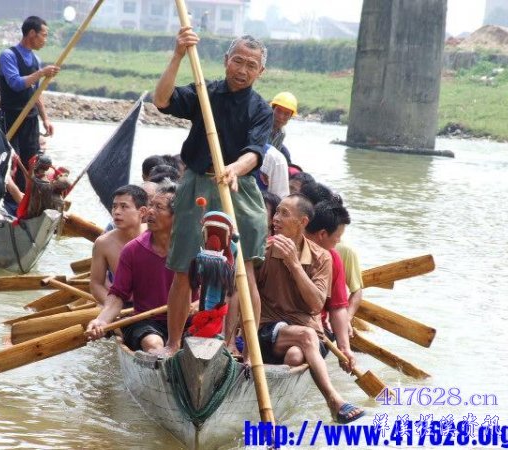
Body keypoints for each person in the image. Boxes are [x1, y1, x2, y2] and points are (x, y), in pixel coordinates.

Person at [153, 30, 272, 356]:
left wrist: (235, 168)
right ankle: (173, 344)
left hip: (239, 188)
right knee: (183, 268)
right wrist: (178, 55)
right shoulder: (204, 92)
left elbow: (255, 153)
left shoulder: (261, 109)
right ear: (226, 60)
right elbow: (161, 100)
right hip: (197, 184)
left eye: (251, 65)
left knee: (243, 272)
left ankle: (238, 348)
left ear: (260, 71)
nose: (243, 70)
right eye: (238, 61)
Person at [256, 193, 364, 424]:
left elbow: (317, 305)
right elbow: (243, 295)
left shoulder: (322, 257)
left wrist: (294, 264)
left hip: (310, 334)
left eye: (284, 213)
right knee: (305, 337)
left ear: (303, 222)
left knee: (295, 355)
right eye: (277, 212)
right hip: (268, 329)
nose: (276, 218)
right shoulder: (262, 250)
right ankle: (333, 399)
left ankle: (280, 406)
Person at [87, 182, 177, 352]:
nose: (150, 211)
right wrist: (103, 319)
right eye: (114, 206)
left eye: (158, 207)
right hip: (142, 316)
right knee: (153, 345)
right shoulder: (131, 249)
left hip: (183, 316)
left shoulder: (191, 247)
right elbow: (114, 293)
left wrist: (198, 304)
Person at [0, 16, 60, 191]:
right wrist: (41, 73)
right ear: (32, 33)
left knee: (31, 161)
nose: (45, 40)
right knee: (12, 160)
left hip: (31, 119)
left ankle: (26, 196)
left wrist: (45, 119)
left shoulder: (36, 60)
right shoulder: (8, 55)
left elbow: (36, 93)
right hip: (11, 116)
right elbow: (16, 83)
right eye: (44, 35)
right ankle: (10, 197)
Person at [303, 199, 355, 366]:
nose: (338, 241)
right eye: (337, 236)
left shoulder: (333, 258)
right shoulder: (286, 247)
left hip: (318, 331)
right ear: (322, 234)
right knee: (294, 355)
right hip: (282, 325)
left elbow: (337, 307)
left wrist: (344, 347)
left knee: (295, 355)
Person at [90, 185, 147, 306]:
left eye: (124, 207)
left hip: (160, 304)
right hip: (123, 304)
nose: (116, 212)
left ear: (142, 212)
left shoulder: (154, 234)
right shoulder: (102, 243)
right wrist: (112, 306)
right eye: (114, 206)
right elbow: (96, 284)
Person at [269, 91, 297, 164]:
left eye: (286, 114)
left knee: (285, 155)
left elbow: (274, 156)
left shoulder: (282, 133)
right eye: (278, 111)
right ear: (272, 109)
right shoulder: (261, 126)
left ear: (290, 117)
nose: (281, 117)